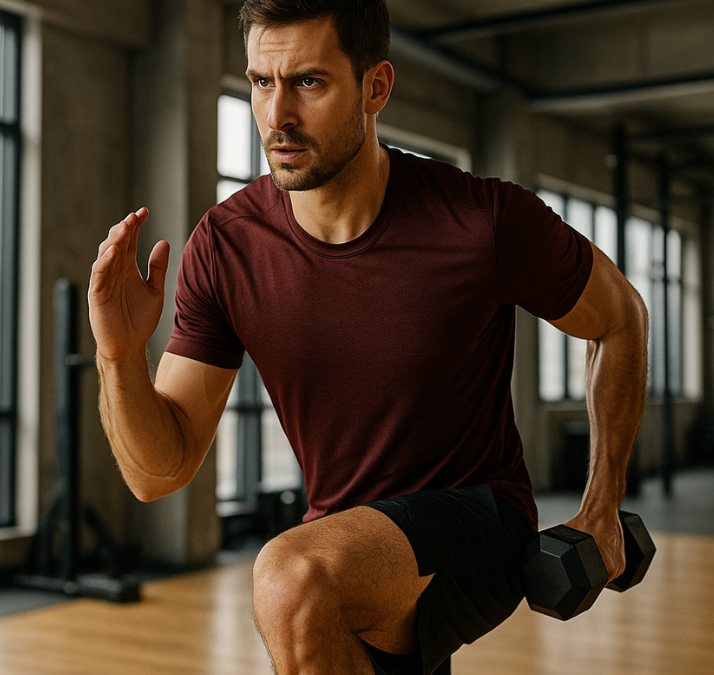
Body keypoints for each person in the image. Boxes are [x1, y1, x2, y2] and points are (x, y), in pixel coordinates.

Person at [87, 1, 649, 673]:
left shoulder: (480, 222)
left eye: (309, 82)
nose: (277, 116)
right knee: (313, 588)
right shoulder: (228, 246)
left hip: (479, 518)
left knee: (292, 579)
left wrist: (603, 505)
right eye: (262, 82)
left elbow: (620, 319)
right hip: (349, 534)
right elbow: (162, 469)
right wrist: (119, 357)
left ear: (375, 87)